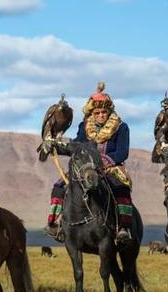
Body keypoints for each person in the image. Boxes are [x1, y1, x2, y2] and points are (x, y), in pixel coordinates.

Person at [45, 82, 135, 243]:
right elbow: (77, 146)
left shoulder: (121, 127)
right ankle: (55, 223)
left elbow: (122, 152)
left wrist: (101, 161)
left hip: (110, 167)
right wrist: (55, 146)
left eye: (104, 112)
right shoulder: (84, 127)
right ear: (92, 113)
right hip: (86, 167)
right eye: (97, 112)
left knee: (121, 188)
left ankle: (123, 227)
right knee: (59, 186)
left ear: (110, 111)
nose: (101, 115)